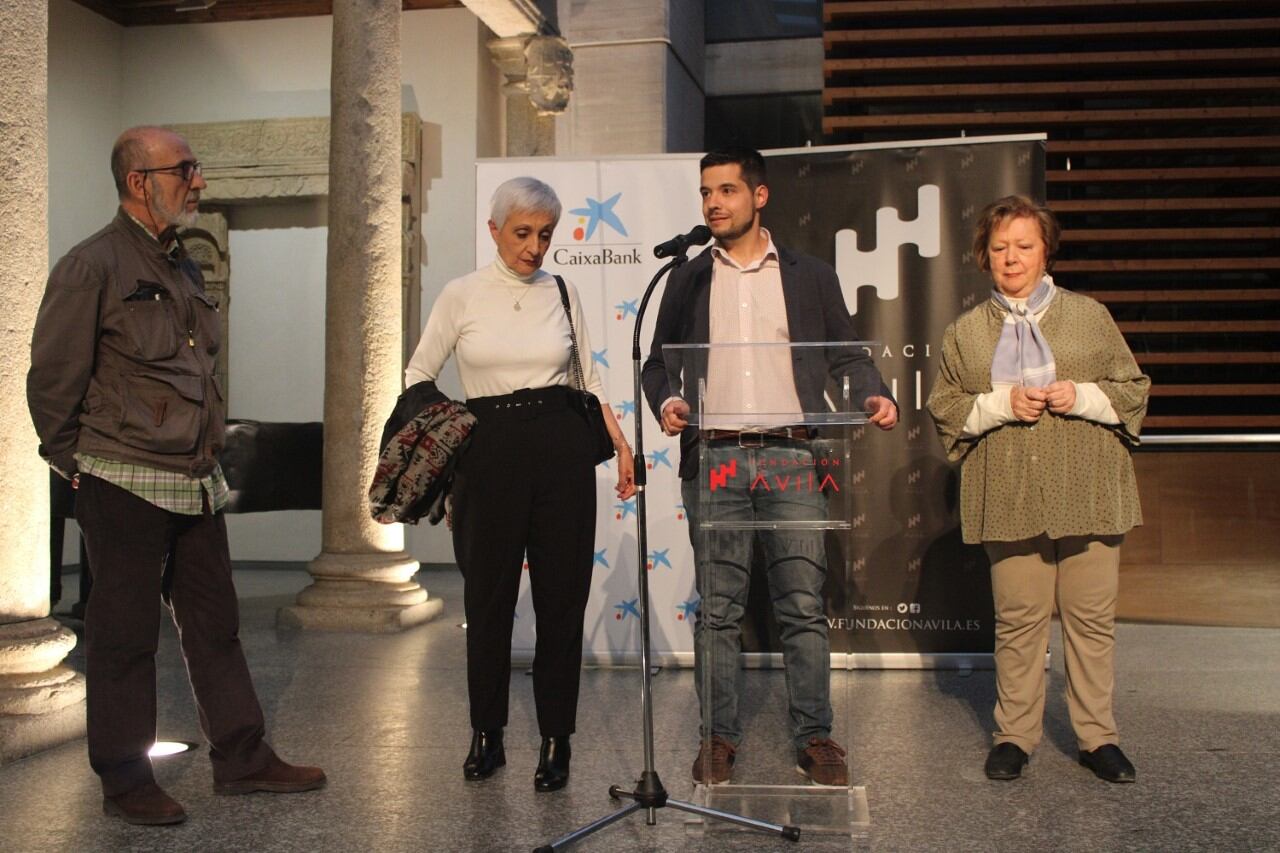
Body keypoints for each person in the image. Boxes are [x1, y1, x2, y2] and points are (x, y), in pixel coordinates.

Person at [26, 126, 326, 826]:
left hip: (194, 480)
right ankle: (126, 778)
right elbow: (51, 386)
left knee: (215, 626)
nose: (198, 181)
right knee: (126, 636)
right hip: (123, 480)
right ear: (140, 181)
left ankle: (243, 756)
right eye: (185, 169)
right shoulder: (91, 265)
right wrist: (81, 466)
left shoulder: (182, 265)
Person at [641, 148, 897, 787]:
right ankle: (716, 738)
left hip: (791, 456)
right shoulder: (688, 277)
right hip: (718, 456)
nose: (713, 204)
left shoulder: (809, 274)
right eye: (705, 193)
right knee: (720, 610)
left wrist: (872, 391)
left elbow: (846, 352)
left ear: (760, 196)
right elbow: (656, 364)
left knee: (801, 605)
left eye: (726, 190)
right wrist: (668, 400)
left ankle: (815, 736)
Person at [405, 176, 636, 792]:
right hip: (489, 454)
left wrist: (619, 442)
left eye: (546, 235)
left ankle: (557, 740)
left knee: (563, 602)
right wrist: (449, 439)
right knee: (488, 603)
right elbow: (418, 371)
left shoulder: (562, 290)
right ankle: (488, 734)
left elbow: (587, 374)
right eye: (523, 233)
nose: (535, 247)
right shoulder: (461, 294)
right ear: (494, 230)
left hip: (561, 450)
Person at [926, 195, 1150, 784]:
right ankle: (1014, 736)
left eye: (1024, 246)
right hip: (1009, 490)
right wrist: (1000, 405)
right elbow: (946, 408)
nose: (1011, 258)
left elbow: (1131, 389)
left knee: (1090, 619)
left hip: (1089, 485)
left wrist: (1082, 396)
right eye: (999, 248)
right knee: (1020, 618)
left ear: (1045, 250)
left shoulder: (1090, 315)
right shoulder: (966, 333)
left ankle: (1098, 738)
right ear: (984, 256)